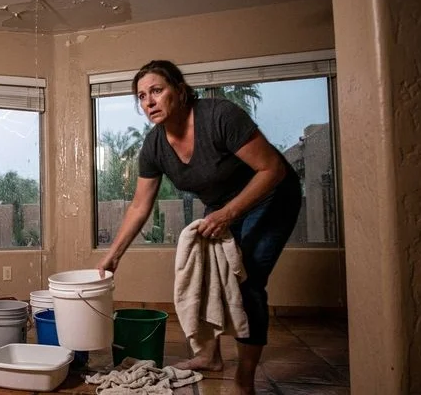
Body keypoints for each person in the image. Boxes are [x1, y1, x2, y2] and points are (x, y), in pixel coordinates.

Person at [96, 60, 301, 395]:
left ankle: (244, 380)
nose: (149, 101)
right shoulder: (154, 146)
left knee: (246, 281)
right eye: (142, 96)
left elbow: (272, 169)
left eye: (157, 90)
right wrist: (113, 256)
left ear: (180, 90)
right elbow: (139, 205)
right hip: (221, 204)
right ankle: (209, 357)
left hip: (271, 194)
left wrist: (228, 214)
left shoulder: (220, 116)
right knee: (205, 274)